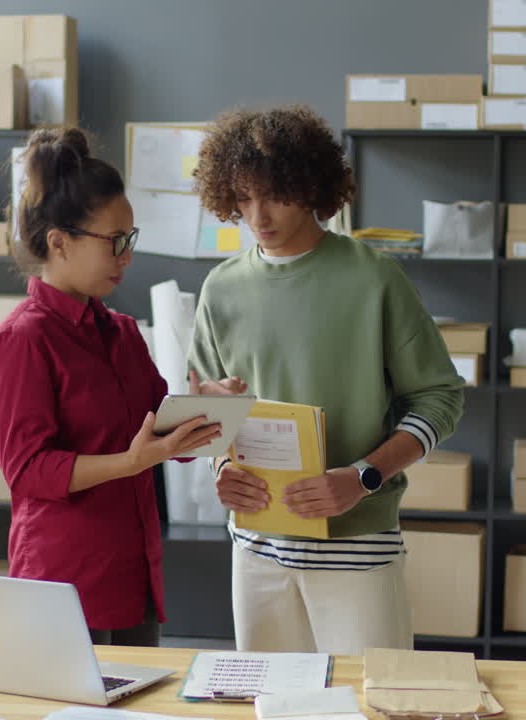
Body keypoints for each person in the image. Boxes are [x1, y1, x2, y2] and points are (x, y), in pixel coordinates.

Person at [187, 105, 466, 655]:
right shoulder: (220, 289)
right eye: (242, 197)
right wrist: (222, 465)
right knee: (269, 705)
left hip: (358, 543)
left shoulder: (375, 278)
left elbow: (441, 398)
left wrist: (363, 476)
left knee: (371, 705)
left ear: (310, 185)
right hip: (257, 546)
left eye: (274, 194)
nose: (258, 214)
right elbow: (207, 411)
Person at [0, 127, 222, 647]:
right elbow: (29, 472)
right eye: (115, 242)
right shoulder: (22, 342)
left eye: (131, 239)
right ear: (59, 242)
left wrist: (206, 408)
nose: (127, 257)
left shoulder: (123, 333)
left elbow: (159, 432)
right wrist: (129, 463)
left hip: (134, 577)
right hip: (64, 584)